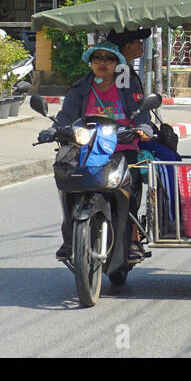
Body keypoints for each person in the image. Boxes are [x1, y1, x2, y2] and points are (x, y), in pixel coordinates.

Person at [53, 41, 156, 262]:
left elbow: (141, 116)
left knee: (131, 181)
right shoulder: (80, 88)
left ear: (116, 63)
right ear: (90, 62)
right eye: (97, 58)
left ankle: (132, 239)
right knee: (65, 173)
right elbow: (65, 117)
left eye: (108, 59)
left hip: (121, 146)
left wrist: (143, 129)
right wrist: (53, 130)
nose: (102, 63)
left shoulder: (128, 87)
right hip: (86, 147)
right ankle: (70, 237)